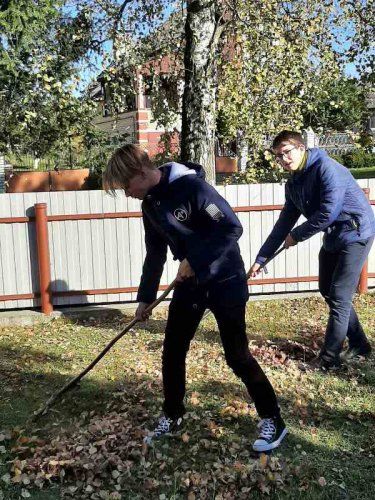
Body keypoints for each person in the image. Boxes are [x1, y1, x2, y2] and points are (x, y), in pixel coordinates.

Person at [104, 144, 287, 452]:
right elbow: (155, 254)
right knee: (173, 351)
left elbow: (231, 227)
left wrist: (196, 258)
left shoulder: (193, 187)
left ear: (139, 173)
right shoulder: (149, 205)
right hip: (190, 284)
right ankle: (173, 415)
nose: (126, 193)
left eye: (126, 186)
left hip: (225, 279)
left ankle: (273, 419)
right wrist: (145, 297)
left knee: (237, 356)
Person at [249, 130, 375, 370]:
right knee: (327, 289)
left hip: (356, 232)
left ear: (301, 147)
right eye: (278, 156)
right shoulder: (294, 183)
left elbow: (328, 213)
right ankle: (360, 344)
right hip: (334, 237)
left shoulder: (327, 169)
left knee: (339, 297)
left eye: (287, 152)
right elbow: (283, 223)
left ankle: (328, 360)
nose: (283, 159)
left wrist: (296, 236)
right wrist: (261, 259)